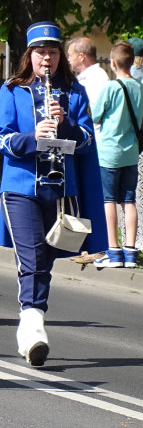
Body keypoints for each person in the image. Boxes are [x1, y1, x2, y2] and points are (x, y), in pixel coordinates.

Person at [0, 21, 105, 367]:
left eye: (53, 52)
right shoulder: (12, 90)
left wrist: (66, 124)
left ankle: (29, 326)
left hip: (59, 191)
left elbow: (87, 141)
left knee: (44, 260)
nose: (47, 58)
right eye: (41, 52)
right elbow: (2, 139)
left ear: (61, 57)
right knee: (32, 259)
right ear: (30, 55)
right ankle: (33, 324)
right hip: (21, 187)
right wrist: (33, 136)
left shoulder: (73, 94)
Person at [88, 41, 142, 269]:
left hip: (109, 152)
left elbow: (96, 116)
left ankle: (114, 251)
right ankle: (131, 252)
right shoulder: (139, 87)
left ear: (112, 62)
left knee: (108, 200)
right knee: (129, 201)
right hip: (131, 153)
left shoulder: (110, 87)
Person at [66, 36, 110, 108]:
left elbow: (95, 112)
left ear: (81, 56)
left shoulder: (95, 78)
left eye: (70, 55)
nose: (68, 60)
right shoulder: (89, 76)